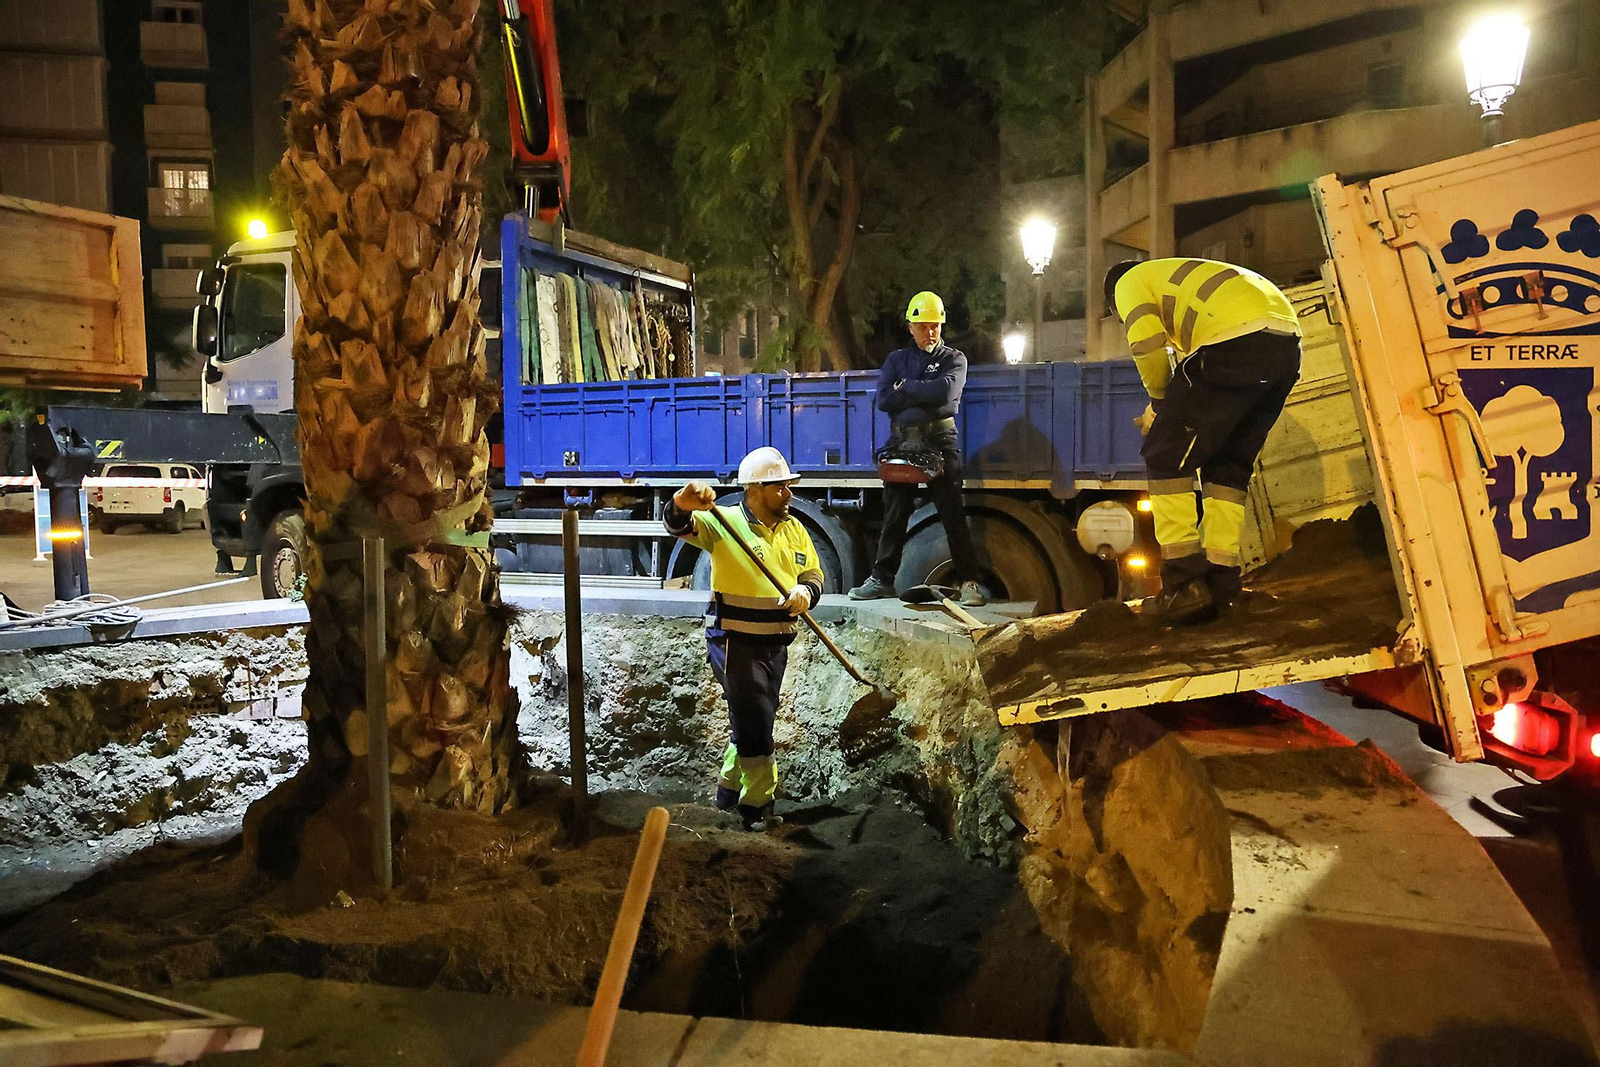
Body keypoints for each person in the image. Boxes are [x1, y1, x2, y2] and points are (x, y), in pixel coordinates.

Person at [1105, 257, 1302, 624]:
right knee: (1226, 467)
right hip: (1285, 346)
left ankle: (1183, 584)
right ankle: (1223, 586)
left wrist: (1161, 406)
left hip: (1236, 341)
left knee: (1165, 455)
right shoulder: (1175, 278)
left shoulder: (1127, 282)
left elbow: (1147, 344)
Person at [664, 446, 823, 831]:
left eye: (787, 486)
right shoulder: (725, 522)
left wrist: (805, 595)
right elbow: (679, 525)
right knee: (756, 718)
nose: (788, 494)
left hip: (777, 641)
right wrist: (681, 503)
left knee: (753, 717)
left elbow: (813, 575)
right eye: (779, 487)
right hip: (735, 640)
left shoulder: (795, 529)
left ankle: (728, 789)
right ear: (755, 490)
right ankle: (757, 805)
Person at [848, 290, 986, 608]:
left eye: (936, 325)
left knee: (953, 515)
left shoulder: (954, 359)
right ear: (911, 326)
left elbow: (946, 393)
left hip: (940, 443)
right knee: (894, 516)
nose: (931, 331)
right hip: (902, 443)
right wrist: (923, 391)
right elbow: (884, 400)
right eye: (924, 325)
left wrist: (907, 387)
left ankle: (970, 582)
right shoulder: (896, 360)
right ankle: (882, 580)